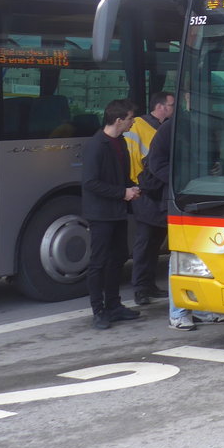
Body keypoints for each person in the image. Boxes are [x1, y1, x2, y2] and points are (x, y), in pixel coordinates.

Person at [140, 95, 224, 331]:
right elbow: (156, 163)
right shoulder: (171, 128)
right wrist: (182, 180)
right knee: (181, 256)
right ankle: (178, 312)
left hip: (203, 196)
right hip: (181, 198)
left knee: (201, 254)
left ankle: (200, 309)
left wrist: (217, 166)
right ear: (189, 101)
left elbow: (214, 158)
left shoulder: (206, 127)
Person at [81, 99, 142, 330]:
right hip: (101, 213)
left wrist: (132, 188)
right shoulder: (96, 145)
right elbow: (90, 183)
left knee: (118, 258)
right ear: (118, 120)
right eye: (130, 118)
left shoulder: (121, 143)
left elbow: (120, 177)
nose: (132, 122)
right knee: (98, 262)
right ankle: (99, 311)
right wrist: (122, 192)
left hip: (116, 210)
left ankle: (114, 306)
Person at [127, 91, 175, 303]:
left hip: (159, 191)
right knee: (145, 242)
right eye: (172, 105)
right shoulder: (138, 126)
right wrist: (135, 186)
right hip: (145, 191)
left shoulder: (165, 127)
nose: (175, 109)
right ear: (161, 106)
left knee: (155, 242)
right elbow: (132, 157)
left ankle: (149, 285)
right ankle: (140, 288)